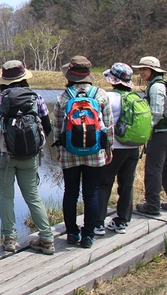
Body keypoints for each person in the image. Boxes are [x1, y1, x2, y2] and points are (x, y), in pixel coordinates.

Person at [0, 60, 55, 255]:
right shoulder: (36, 98)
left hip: (4, 156)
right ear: (24, 78)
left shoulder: (0, 98)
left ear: (5, 79)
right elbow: (47, 127)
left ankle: (10, 240)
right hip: (29, 157)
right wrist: (37, 145)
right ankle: (47, 239)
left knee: (6, 196)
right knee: (33, 197)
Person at [53, 56, 114, 249]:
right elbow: (108, 126)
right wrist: (109, 148)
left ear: (70, 75)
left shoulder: (64, 96)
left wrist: (59, 148)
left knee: (70, 192)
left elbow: (57, 127)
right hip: (95, 152)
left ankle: (72, 233)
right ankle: (88, 235)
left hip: (69, 151)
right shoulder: (101, 95)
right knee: (91, 194)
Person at [133, 56, 167, 215]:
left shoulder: (156, 87)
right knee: (166, 168)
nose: (141, 72)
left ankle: (152, 205)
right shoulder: (159, 85)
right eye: (140, 69)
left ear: (153, 71)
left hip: (161, 134)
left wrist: (145, 132)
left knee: (153, 169)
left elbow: (156, 113)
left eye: (144, 69)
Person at [94, 63, 140, 235]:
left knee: (104, 183)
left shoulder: (107, 96)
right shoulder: (136, 97)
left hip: (114, 147)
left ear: (112, 80)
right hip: (133, 147)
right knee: (127, 184)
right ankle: (122, 221)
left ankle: (98, 223)